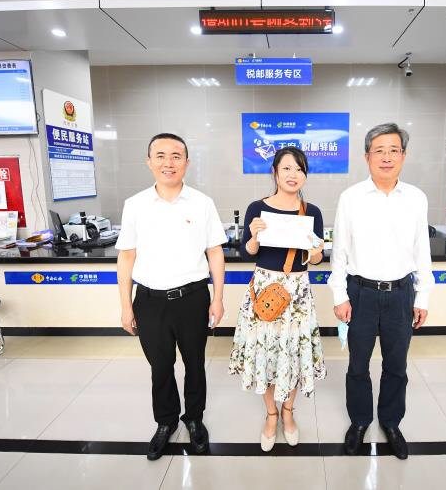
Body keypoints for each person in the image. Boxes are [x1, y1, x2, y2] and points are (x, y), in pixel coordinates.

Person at [115, 133, 226, 461]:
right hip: (149, 301)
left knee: (195, 364)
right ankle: (165, 421)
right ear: (149, 162)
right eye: (161, 156)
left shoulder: (202, 203)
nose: (169, 162)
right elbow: (126, 257)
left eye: (176, 156)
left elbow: (215, 252)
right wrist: (125, 306)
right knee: (160, 366)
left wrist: (218, 298)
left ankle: (194, 419)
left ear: (187, 163)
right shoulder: (135, 204)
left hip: (193, 298)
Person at [328, 122, 434, 460]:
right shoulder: (351, 198)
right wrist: (339, 296)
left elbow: (422, 252)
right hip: (360, 293)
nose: (386, 157)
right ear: (367, 157)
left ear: (403, 155)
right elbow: (340, 252)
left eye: (393, 150)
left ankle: (391, 422)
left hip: (401, 294)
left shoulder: (416, 198)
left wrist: (423, 296)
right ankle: (360, 421)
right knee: (358, 364)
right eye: (379, 151)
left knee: (396, 365)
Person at [229, 146, 326, 452]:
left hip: (297, 293)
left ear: (305, 174)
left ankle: (288, 412)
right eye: (286, 168)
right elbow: (247, 253)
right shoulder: (257, 208)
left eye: (299, 169)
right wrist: (254, 237)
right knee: (265, 353)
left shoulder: (312, 212)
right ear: (275, 172)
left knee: (293, 353)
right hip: (264, 290)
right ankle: (271, 414)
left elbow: (317, 258)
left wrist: (316, 252)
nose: (293, 175)